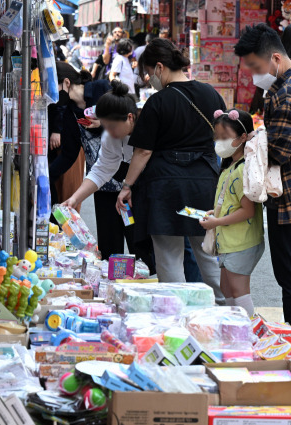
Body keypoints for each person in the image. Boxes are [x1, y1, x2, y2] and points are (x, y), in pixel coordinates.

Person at [234, 24, 291, 343]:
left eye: (255, 67)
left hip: (289, 199)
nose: (252, 74)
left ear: (275, 58)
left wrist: (252, 144)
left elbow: (278, 154)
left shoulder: (286, 95)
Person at [116, 38, 225, 303]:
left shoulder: (157, 102)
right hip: (203, 184)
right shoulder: (211, 94)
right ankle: (227, 310)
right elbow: (223, 140)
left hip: (165, 187)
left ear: (160, 67)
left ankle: (175, 316)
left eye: (149, 71)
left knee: (169, 259)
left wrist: (127, 186)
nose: (149, 78)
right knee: (208, 255)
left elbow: (143, 152)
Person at [63, 81, 152, 268]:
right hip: (127, 191)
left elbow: (144, 154)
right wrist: (75, 199)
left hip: (152, 191)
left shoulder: (147, 125)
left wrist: (128, 186)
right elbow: (101, 170)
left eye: (111, 126)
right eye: (105, 126)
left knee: (149, 250)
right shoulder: (111, 136)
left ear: (130, 118)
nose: (108, 131)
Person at [199, 110, 264, 316]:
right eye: (217, 137)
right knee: (226, 288)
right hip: (229, 241)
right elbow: (231, 202)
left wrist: (216, 222)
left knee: (238, 290)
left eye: (225, 137)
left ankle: (249, 333)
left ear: (243, 137)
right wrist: (215, 214)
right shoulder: (230, 167)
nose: (219, 142)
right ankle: (233, 328)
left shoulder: (244, 169)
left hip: (241, 241)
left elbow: (247, 211)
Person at [49, 62, 111, 205]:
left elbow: (127, 117)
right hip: (100, 182)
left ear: (66, 82)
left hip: (124, 177)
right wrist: (48, 176)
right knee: (107, 226)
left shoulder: (101, 88)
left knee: (129, 224)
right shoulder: (70, 113)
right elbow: (69, 153)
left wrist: (104, 123)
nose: (52, 94)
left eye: (53, 88)